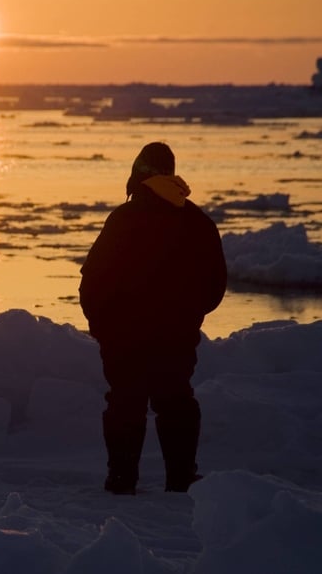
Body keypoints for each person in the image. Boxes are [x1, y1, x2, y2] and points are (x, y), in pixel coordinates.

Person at [79, 141, 226, 494]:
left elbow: (93, 279)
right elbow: (215, 285)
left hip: (123, 336)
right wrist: (188, 316)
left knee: (125, 402)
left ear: (138, 176)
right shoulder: (198, 222)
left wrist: (101, 325)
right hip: (176, 335)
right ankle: (181, 479)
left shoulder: (123, 220)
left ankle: (121, 479)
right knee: (175, 401)